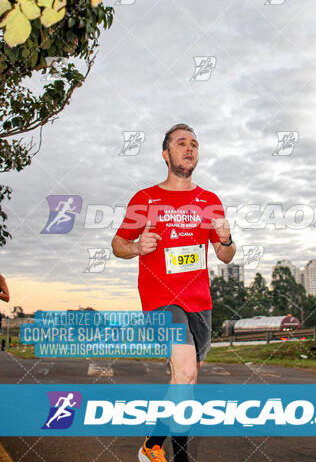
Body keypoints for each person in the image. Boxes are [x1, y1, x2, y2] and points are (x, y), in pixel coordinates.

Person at [112, 123, 236, 462]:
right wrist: (138, 247)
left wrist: (225, 239)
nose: (190, 148)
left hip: (200, 301)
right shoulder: (145, 198)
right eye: (181, 143)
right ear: (165, 154)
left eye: (194, 143)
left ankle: (166, 449)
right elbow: (117, 245)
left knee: (187, 380)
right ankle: (164, 450)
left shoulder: (209, 200)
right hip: (161, 299)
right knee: (184, 370)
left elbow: (225, 255)